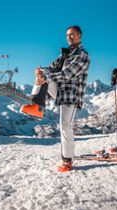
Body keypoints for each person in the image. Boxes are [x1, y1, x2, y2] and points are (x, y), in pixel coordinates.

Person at [21, 25, 90, 172]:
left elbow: (67, 74)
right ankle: (35, 106)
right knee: (43, 74)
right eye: (67, 35)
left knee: (65, 125)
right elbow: (51, 68)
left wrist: (46, 76)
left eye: (72, 34)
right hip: (60, 91)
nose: (69, 37)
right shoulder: (64, 54)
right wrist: (40, 71)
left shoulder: (82, 55)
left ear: (79, 36)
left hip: (71, 95)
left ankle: (67, 160)